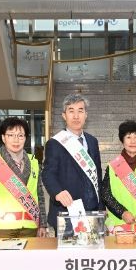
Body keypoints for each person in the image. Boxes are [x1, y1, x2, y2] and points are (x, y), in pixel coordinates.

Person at [42, 93, 102, 234]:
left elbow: (97, 174)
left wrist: (101, 207)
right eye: (71, 111)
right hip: (67, 212)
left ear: (86, 115)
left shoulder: (92, 141)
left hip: (92, 212)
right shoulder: (55, 143)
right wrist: (57, 192)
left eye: (80, 111)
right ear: (64, 116)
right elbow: (48, 173)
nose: (76, 116)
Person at [0, 117, 47, 238]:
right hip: (3, 228)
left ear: (25, 138)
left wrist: (42, 224)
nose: (16, 140)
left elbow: (40, 195)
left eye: (20, 135)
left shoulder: (33, 162)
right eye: (10, 135)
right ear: (3, 138)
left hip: (30, 225)